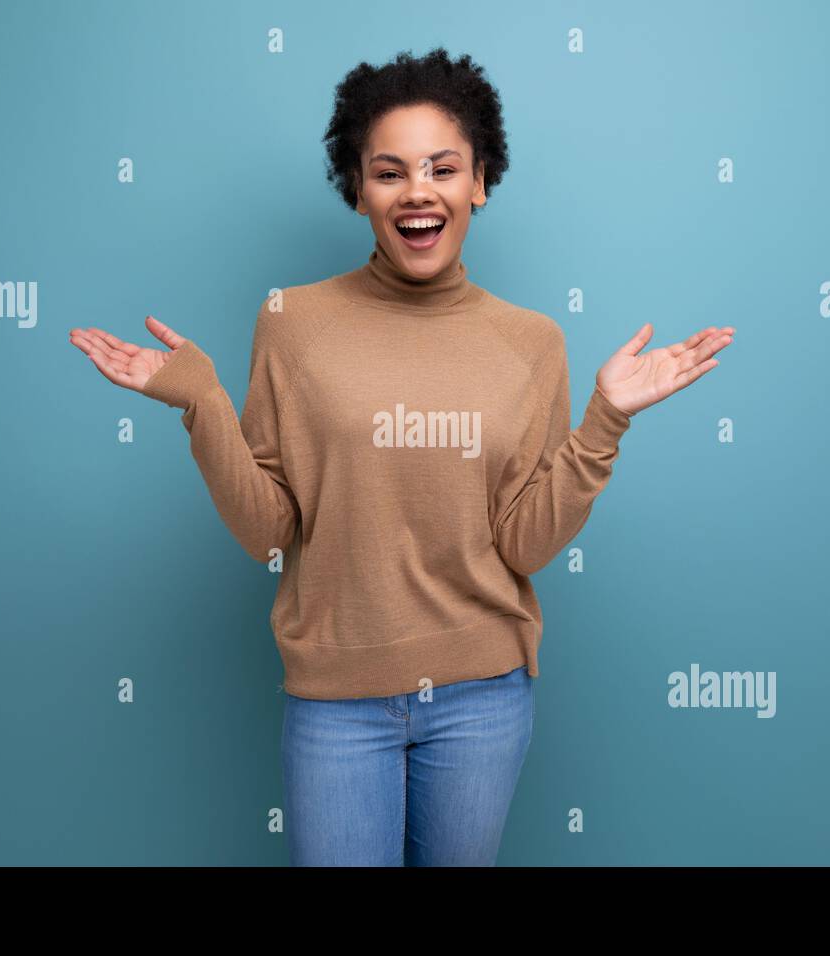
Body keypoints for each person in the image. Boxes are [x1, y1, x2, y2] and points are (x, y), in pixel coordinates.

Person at [69, 48, 734, 866]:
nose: (417, 190)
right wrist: (205, 404)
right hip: (336, 700)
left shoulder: (532, 342)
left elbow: (523, 545)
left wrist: (606, 420)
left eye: (442, 168)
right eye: (389, 172)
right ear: (358, 190)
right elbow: (270, 532)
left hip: (484, 696)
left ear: (478, 182)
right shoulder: (293, 322)